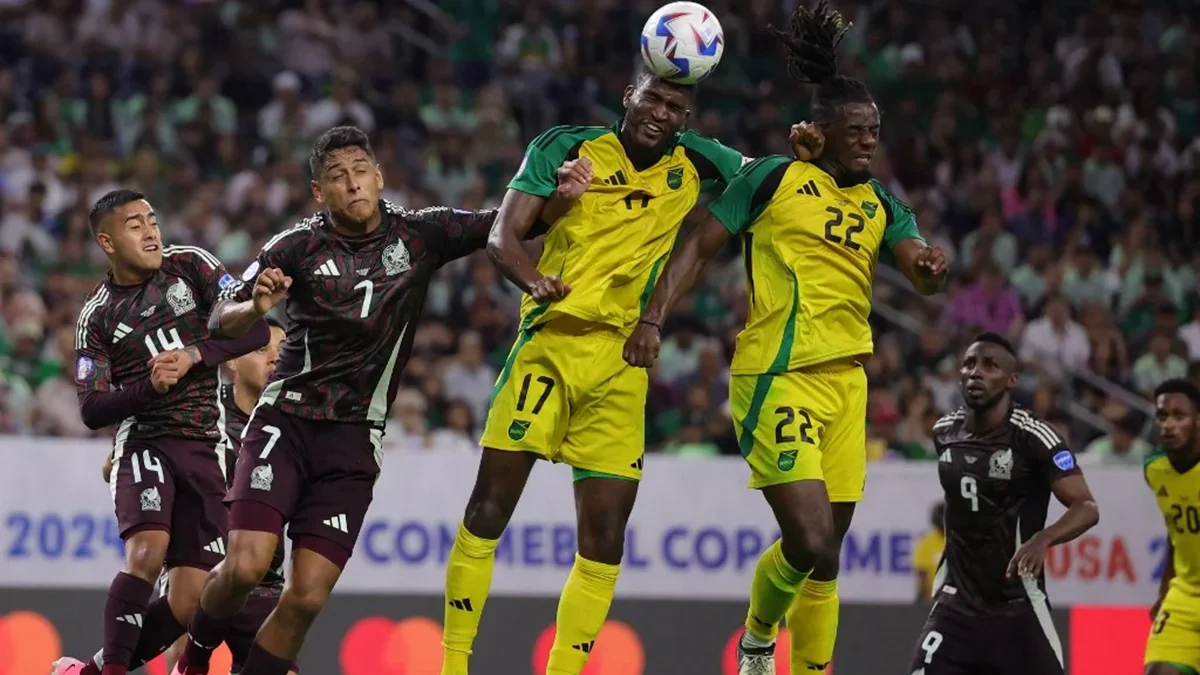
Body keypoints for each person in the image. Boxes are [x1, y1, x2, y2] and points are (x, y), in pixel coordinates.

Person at [171, 126, 576, 675]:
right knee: (246, 567)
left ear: (378, 176)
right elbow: (223, 317)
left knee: (308, 597)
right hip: (286, 422)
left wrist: (560, 199)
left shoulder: (421, 234)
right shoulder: (294, 247)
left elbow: (506, 224)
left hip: (355, 438)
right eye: (337, 177)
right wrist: (255, 309)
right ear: (320, 193)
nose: (352, 184)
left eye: (360, 171)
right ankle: (192, 660)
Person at [624, 3, 950, 673]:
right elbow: (698, 246)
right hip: (778, 375)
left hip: (847, 386)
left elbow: (919, 269)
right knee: (807, 538)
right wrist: (653, 315)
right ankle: (757, 637)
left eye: (875, 130)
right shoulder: (771, 177)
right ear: (819, 131)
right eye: (855, 131)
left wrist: (929, 266)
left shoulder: (881, 202)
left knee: (828, 552)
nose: (868, 141)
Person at [441, 70, 747, 675]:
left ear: (687, 117)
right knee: (487, 511)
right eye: (653, 97)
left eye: (676, 105)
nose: (661, 112)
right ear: (628, 95)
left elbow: (768, 179)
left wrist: (803, 148)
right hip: (550, 346)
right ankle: (452, 665)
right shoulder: (564, 146)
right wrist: (539, 275)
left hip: (622, 362)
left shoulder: (696, 161)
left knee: (605, 538)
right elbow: (503, 237)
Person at [52, 190, 273, 675]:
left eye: (153, 219)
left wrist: (195, 355)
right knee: (147, 552)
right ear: (107, 241)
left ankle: (84, 673)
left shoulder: (192, 266)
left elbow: (256, 333)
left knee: (190, 598)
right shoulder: (98, 316)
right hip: (145, 442)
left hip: (205, 447)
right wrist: (149, 387)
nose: (151, 231)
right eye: (135, 224)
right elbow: (92, 408)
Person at [90, 319, 294, 675]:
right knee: (187, 626)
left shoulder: (291, 420)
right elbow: (114, 467)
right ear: (232, 360)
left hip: (262, 577)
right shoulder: (203, 409)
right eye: (263, 349)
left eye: (283, 350)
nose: (275, 359)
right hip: (203, 562)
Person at [909, 333, 1099, 675]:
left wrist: (1043, 539)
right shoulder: (944, 431)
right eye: (969, 363)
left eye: (990, 365)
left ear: (1012, 379)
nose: (976, 372)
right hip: (958, 605)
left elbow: (1086, 506)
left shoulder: (1034, 436)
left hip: (1017, 606)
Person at [1144, 378, 1200, 675]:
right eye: (1163, 416)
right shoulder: (1155, 468)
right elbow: (1175, 529)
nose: (1169, 424)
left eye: (1180, 416)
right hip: (1185, 596)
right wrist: (1165, 588)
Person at [913, 501, 946, 605]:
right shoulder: (926, 543)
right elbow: (922, 574)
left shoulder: (960, 540)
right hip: (932, 598)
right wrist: (925, 597)